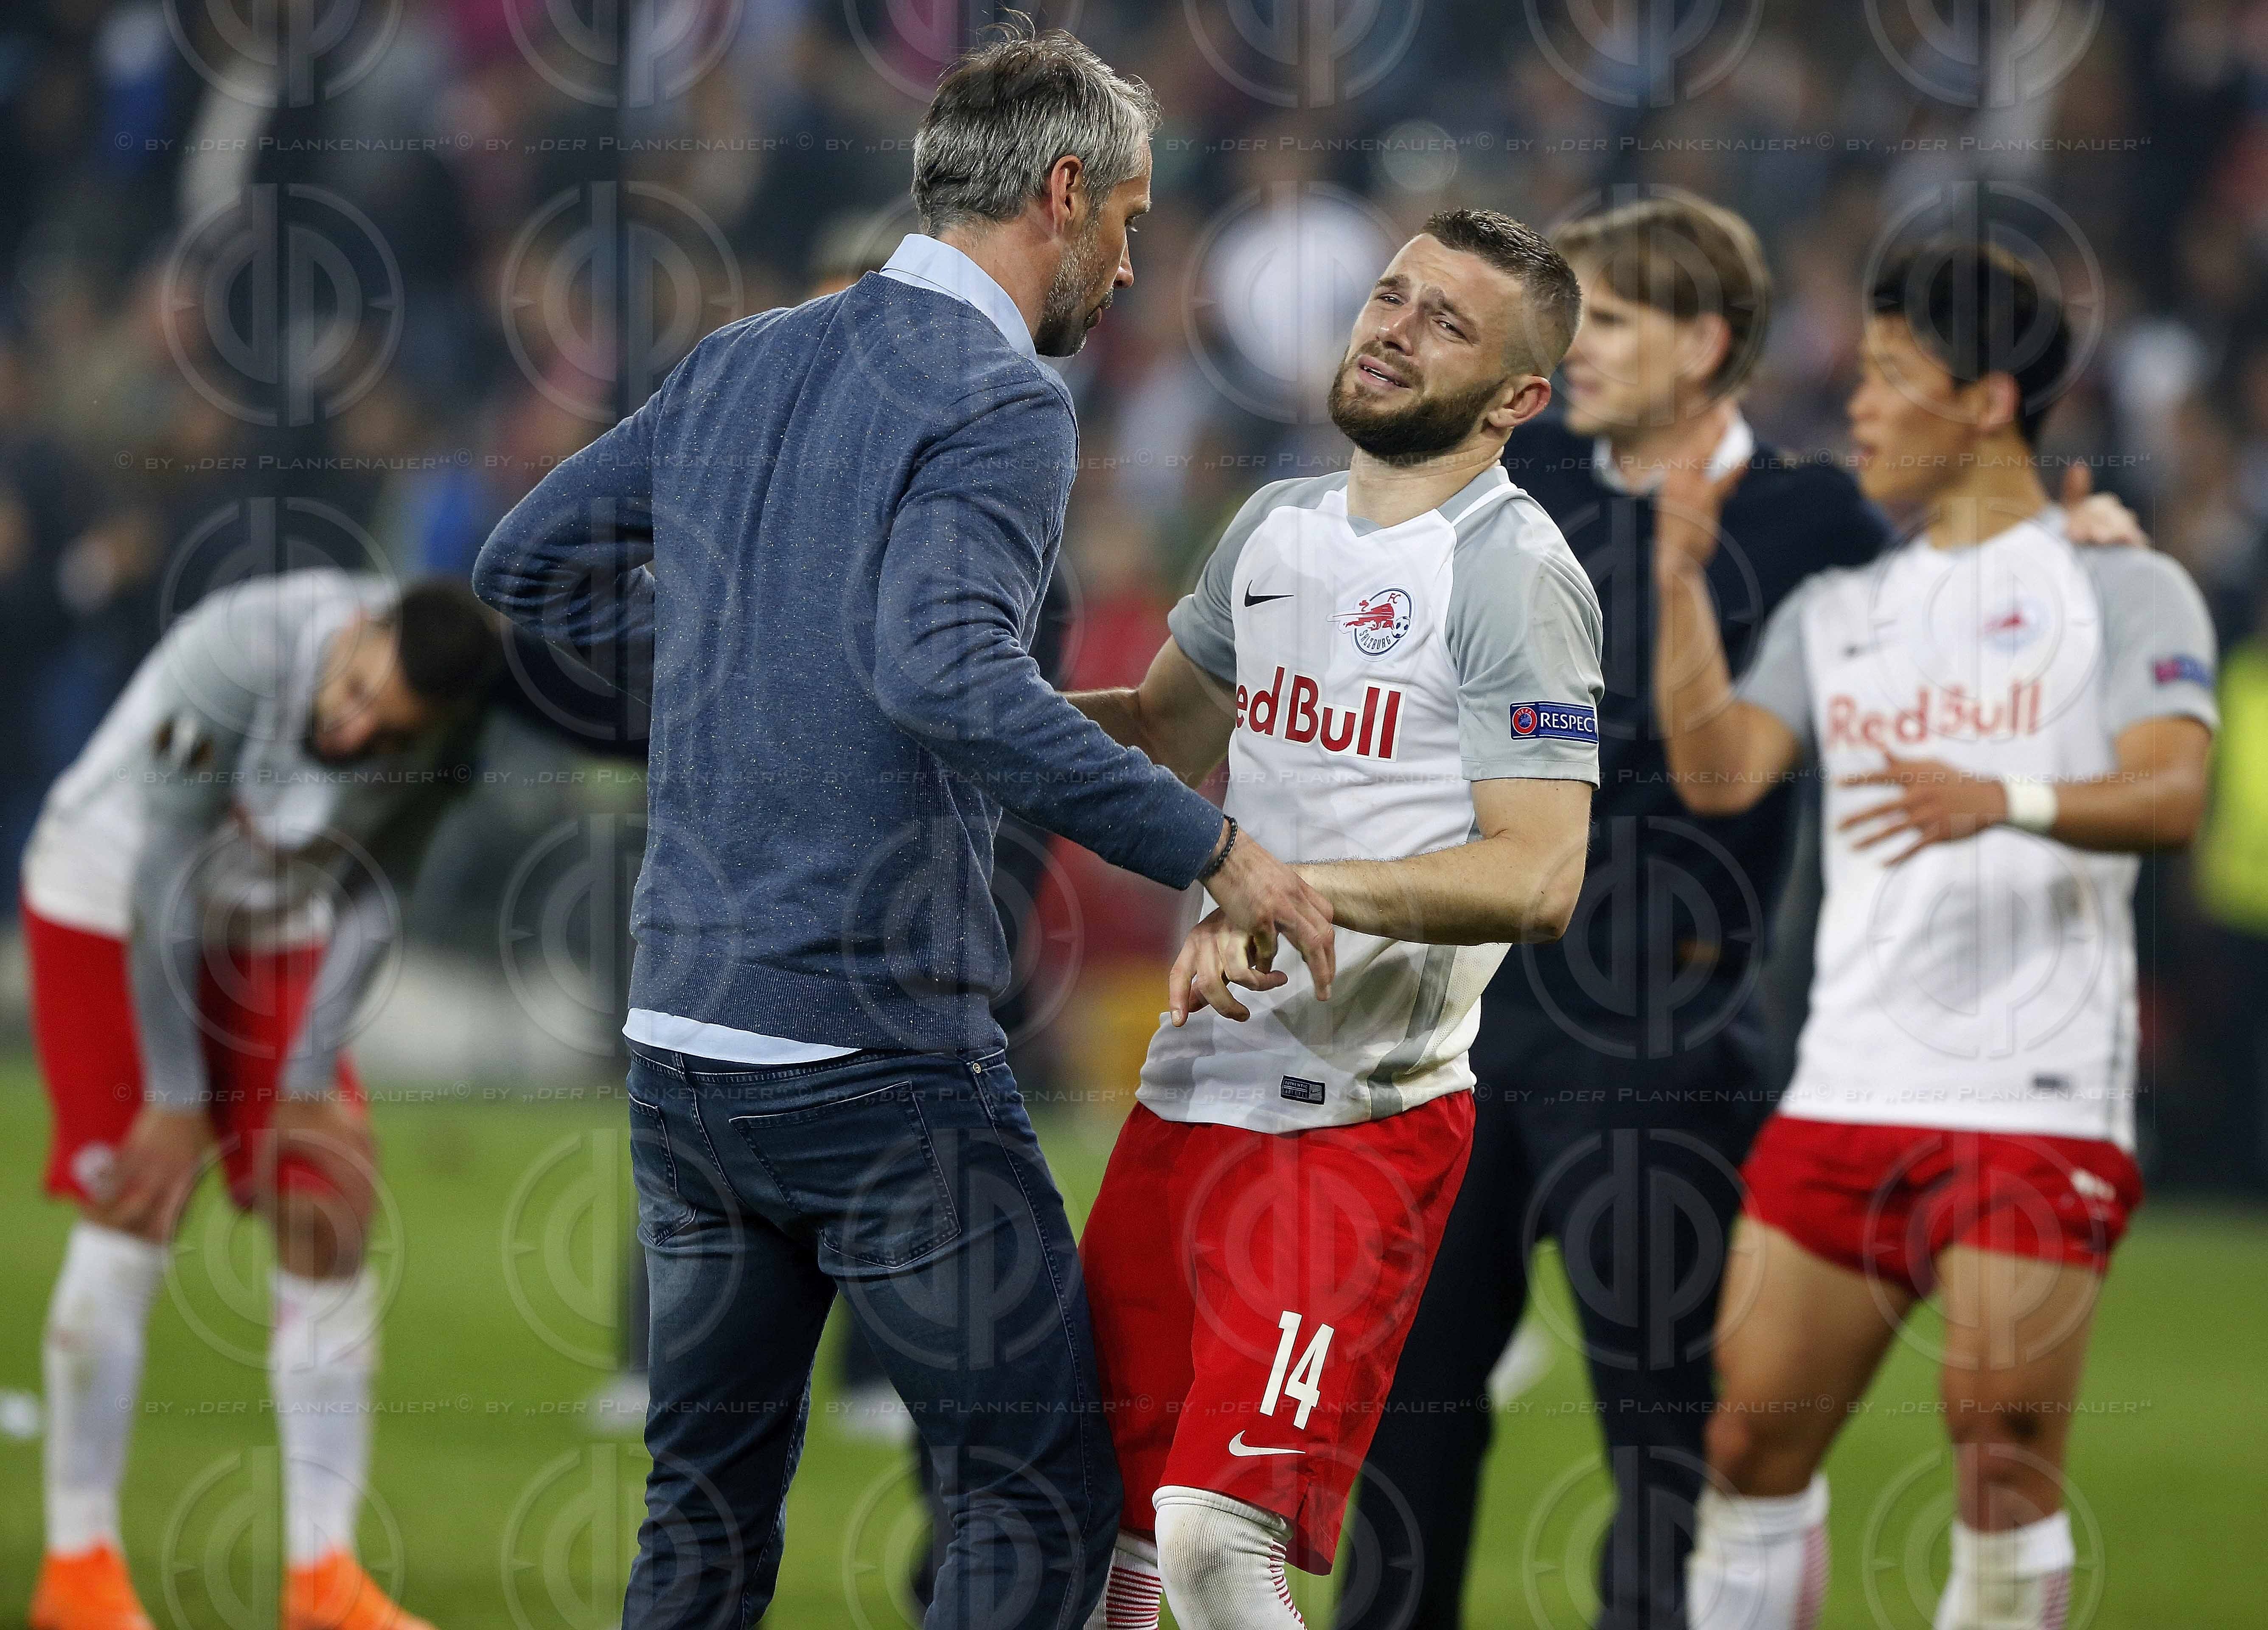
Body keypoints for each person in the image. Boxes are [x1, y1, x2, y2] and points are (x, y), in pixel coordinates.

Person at [471, 26, 1336, 1630]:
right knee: (1038, 1501)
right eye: (1127, 223)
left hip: (686, 1045)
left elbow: (523, 571)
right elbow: (948, 679)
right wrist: (1213, 848)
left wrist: (739, 679)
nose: (1129, 267)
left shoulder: (742, 360)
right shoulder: (1001, 396)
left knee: (701, 1523)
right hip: (873, 1057)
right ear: (1061, 192)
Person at [1339, 192, 2153, 1630]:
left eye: (1615, 320)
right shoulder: (1522, 488)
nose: (1579, 350)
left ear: (1706, 342)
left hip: (1668, 1043)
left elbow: (1961, 595)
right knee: (1409, 1413)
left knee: (1665, 1436)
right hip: (1471, 1026)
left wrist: (2078, 551)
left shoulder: (1814, 519)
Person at [1656, 242, 2215, 1630]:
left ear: (1985, 399)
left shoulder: (2119, 585)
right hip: (1848, 1082)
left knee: (1999, 1446)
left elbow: (2172, 795)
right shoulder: (1840, 608)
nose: (1856, 405)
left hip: (2032, 1096)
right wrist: (1674, 583)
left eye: (1891, 375)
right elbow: (1721, 769)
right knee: (1746, 1444)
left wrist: (2002, 798)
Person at [1070, 209, 1602, 1630]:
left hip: (1355, 1123)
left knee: (1211, 1539)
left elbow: (1540, 873)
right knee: (1103, 1535)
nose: (1392, 330)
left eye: (1446, 322)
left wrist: (1289, 889)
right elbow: (1159, 734)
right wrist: (955, 716)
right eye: (1391, 296)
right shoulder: (1276, 525)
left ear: (1515, 400)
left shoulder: (1513, 571)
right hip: (1190, 1094)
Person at [27, 570, 502, 1630]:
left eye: (391, 727)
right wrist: (173, 1096)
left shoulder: (457, 723)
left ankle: (322, 1578)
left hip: (269, 917)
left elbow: (376, 888)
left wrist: (307, 1080)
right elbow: (165, 873)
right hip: (109, 898)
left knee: (326, 1205)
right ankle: (78, 1566)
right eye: (357, 692)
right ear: (359, 630)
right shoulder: (244, 648)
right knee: (137, 1205)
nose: (357, 729)